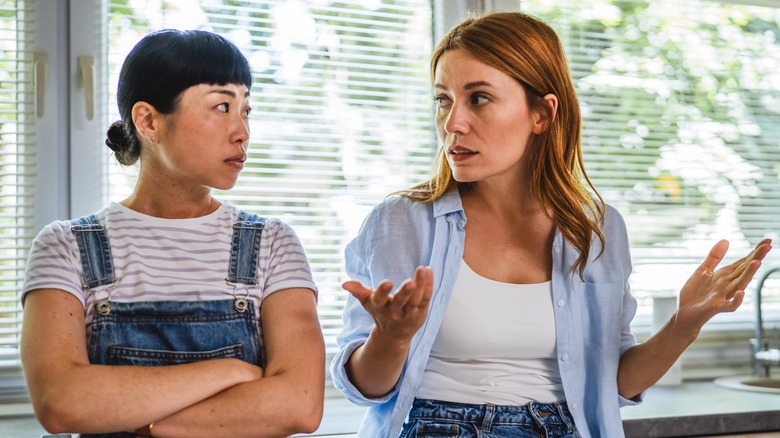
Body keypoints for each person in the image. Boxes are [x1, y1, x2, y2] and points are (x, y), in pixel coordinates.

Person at [330, 11, 772, 438]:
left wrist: (685, 324)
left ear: (542, 114)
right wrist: (392, 337)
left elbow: (613, 384)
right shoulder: (401, 222)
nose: (452, 123)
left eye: (478, 98)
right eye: (443, 99)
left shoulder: (597, 230)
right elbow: (366, 387)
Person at [21, 29, 324, 437]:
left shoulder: (272, 243)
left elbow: (299, 404)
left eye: (246, 111)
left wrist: (143, 425)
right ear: (148, 120)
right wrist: (230, 372)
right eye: (221, 106)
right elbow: (62, 402)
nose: (243, 132)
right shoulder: (65, 246)